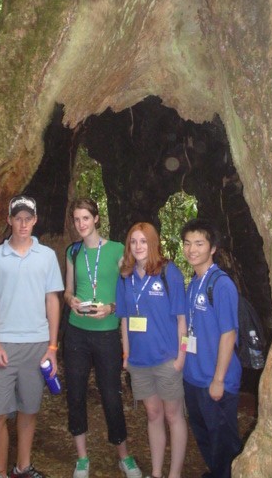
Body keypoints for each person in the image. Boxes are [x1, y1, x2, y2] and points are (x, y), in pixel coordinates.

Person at [0, 195, 64, 478]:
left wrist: (52, 347)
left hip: (37, 345)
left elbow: (52, 300)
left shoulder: (47, 256)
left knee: (29, 409)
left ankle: (22, 467)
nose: (23, 224)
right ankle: (1, 472)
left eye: (28, 218)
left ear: (35, 220)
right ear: (9, 220)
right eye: (18, 218)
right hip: (3, 344)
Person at [62, 198, 142, 478]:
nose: (81, 224)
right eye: (76, 219)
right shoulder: (73, 251)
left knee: (111, 395)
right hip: (76, 332)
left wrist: (111, 308)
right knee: (76, 393)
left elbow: (130, 291)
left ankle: (124, 456)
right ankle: (82, 458)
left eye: (85, 218)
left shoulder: (117, 250)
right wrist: (71, 301)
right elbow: (67, 290)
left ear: (96, 218)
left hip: (107, 333)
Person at [116, 222, 188, 478]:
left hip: (167, 359)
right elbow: (125, 320)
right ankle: (157, 473)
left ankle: (174, 474)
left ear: (153, 243)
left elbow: (182, 320)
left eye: (143, 241)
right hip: (139, 362)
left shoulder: (168, 272)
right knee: (153, 414)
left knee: (173, 415)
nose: (138, 246)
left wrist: (181, 357)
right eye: (134, 241)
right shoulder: (125, 277)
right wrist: (126, 356)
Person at [181, 218, 242, 478]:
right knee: (204, 434)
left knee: (224, 442)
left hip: (216, 379)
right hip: (194, 377)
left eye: (199, 243)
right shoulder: (194, 283)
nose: (192, 249)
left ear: (212, 248)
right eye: (187, 243)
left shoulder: (221, 284)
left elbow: (229, 334)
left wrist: (218, 380)